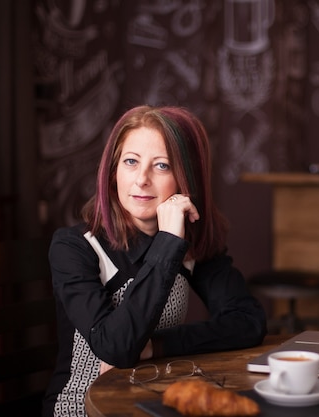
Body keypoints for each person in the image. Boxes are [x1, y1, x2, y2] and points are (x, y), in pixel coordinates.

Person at [42, 105, 267, 417]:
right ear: (113, 172)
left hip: (151, 405)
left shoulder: (191, 246)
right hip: (82, 407)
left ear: (186, 178)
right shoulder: (75, 247)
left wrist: (156, 346)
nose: (142, 180)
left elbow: (248, 322)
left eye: (161, 166)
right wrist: (168, 243)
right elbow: (116, 347)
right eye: (131, 162)